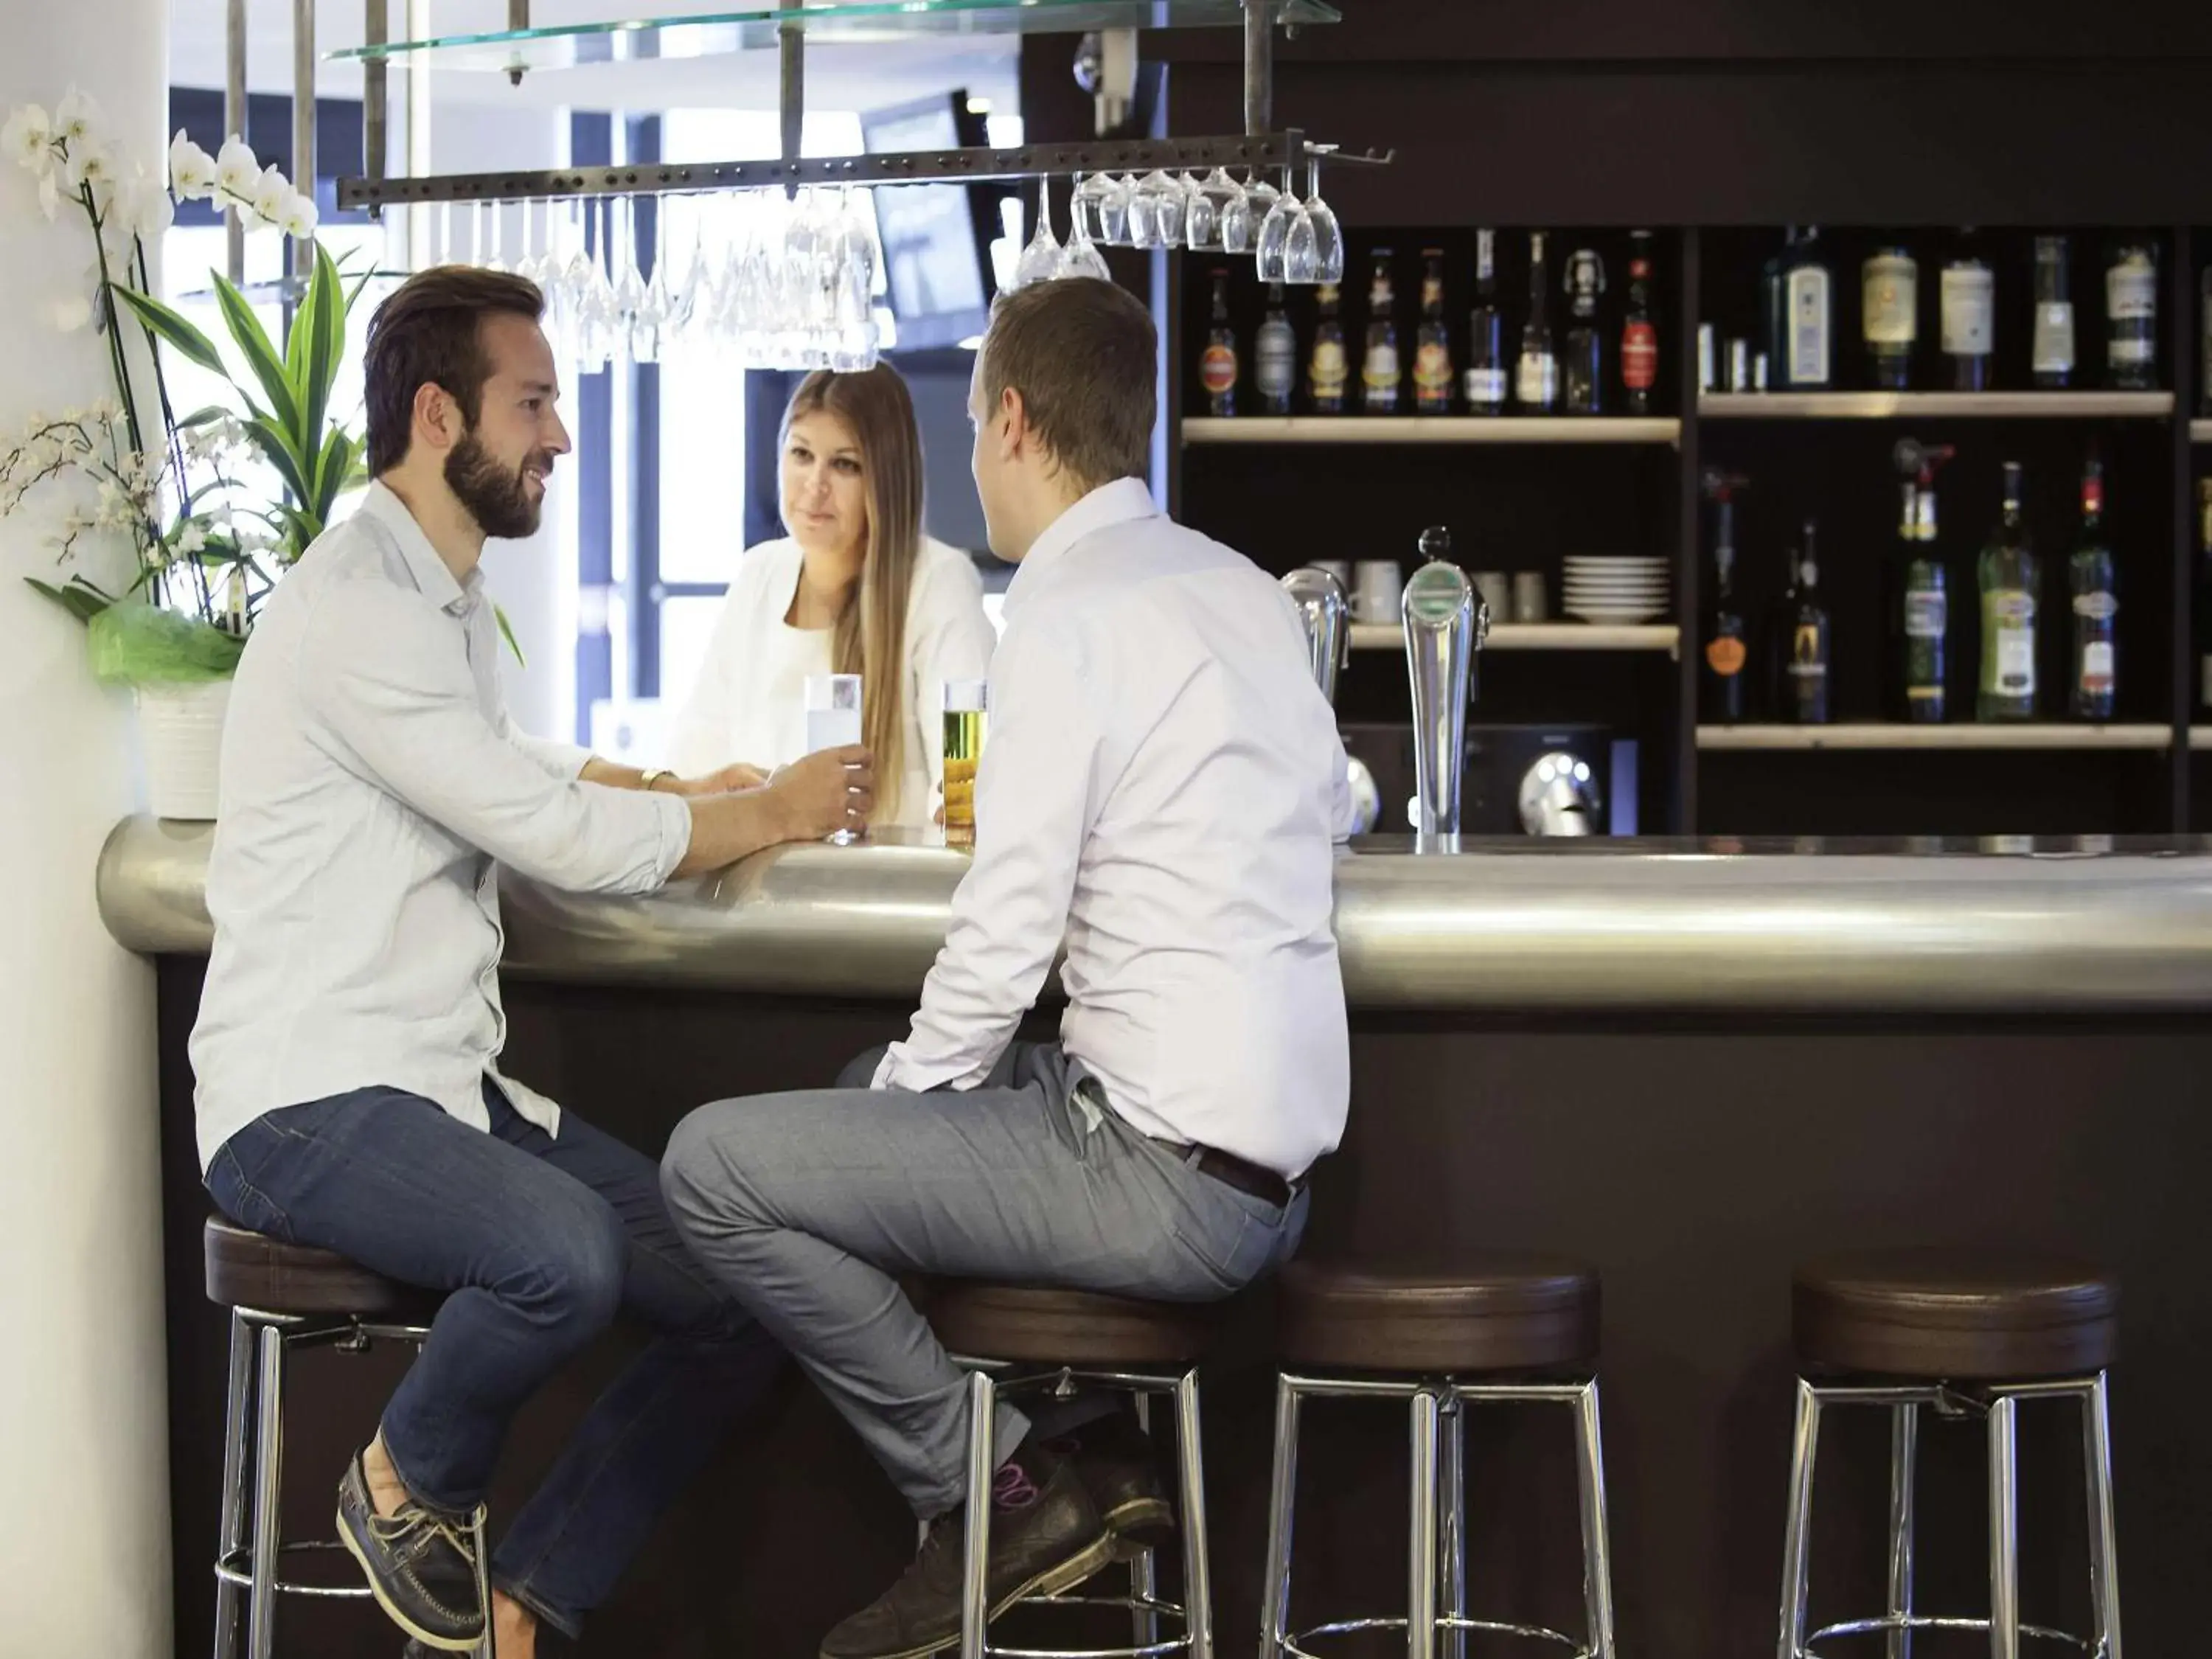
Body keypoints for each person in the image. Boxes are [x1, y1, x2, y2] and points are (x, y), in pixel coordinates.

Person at [661, 276, 1352, 1659]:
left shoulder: (1063, 608)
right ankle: (1056, 1451)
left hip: (1154, 1178)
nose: (972, 449)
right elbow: (1343, 797)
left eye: (974, 421)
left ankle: (998, 1489)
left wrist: (909, 1106)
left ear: (1017, 423)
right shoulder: (1235, 588)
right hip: (1270, 1185)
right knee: (863, 1091)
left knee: (709, 1169)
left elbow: (1006, 925)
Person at [190, 265, 874, 1658]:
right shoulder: (359, 606)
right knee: (563, 1253)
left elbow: (512, 763)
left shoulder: (431, 591)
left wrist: (662, 772)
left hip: (434, 1086)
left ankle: (522, 1600)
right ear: (441, 418)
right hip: (304, 1103)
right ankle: (402, 1486)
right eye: (536, 402)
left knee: (745, 1292)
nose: (561, 434)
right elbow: (547, 830)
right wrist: (765, 811)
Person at [664, 364, 996, 830]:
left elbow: (969, 776)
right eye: (801, 454)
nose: (815, 485)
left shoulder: (938, 581)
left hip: (875, 892)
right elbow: (696, 757)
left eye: (844, 464)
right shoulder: (759, 574)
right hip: (751, 885)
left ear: (884, 478)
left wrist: (963, 809)